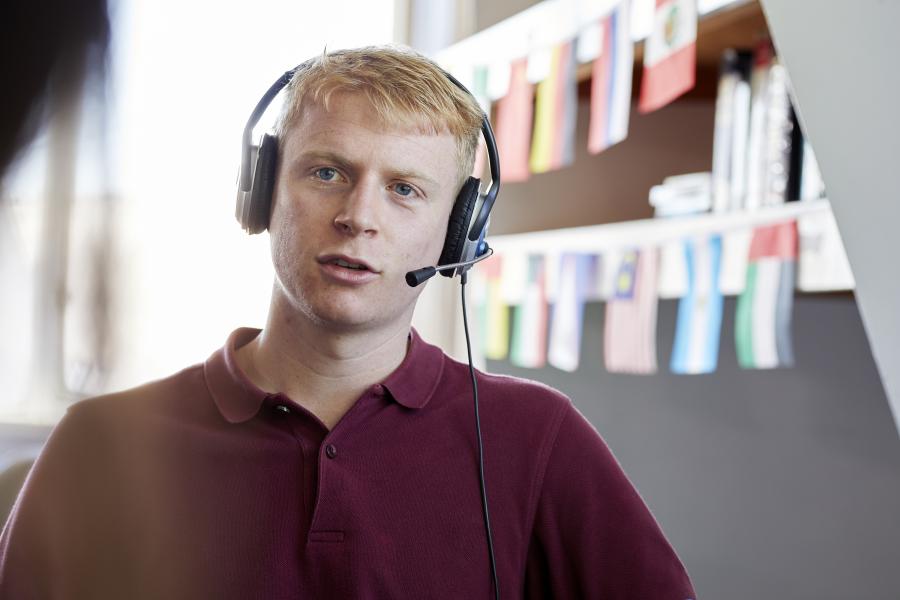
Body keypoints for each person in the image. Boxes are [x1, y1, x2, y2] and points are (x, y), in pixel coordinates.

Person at [0, 46, 696, 599]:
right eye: (327, 172)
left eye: (404, 190)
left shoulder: (539, 439)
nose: (359, 216)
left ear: (457, 234)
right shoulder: (101, 443)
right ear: (262, 193)